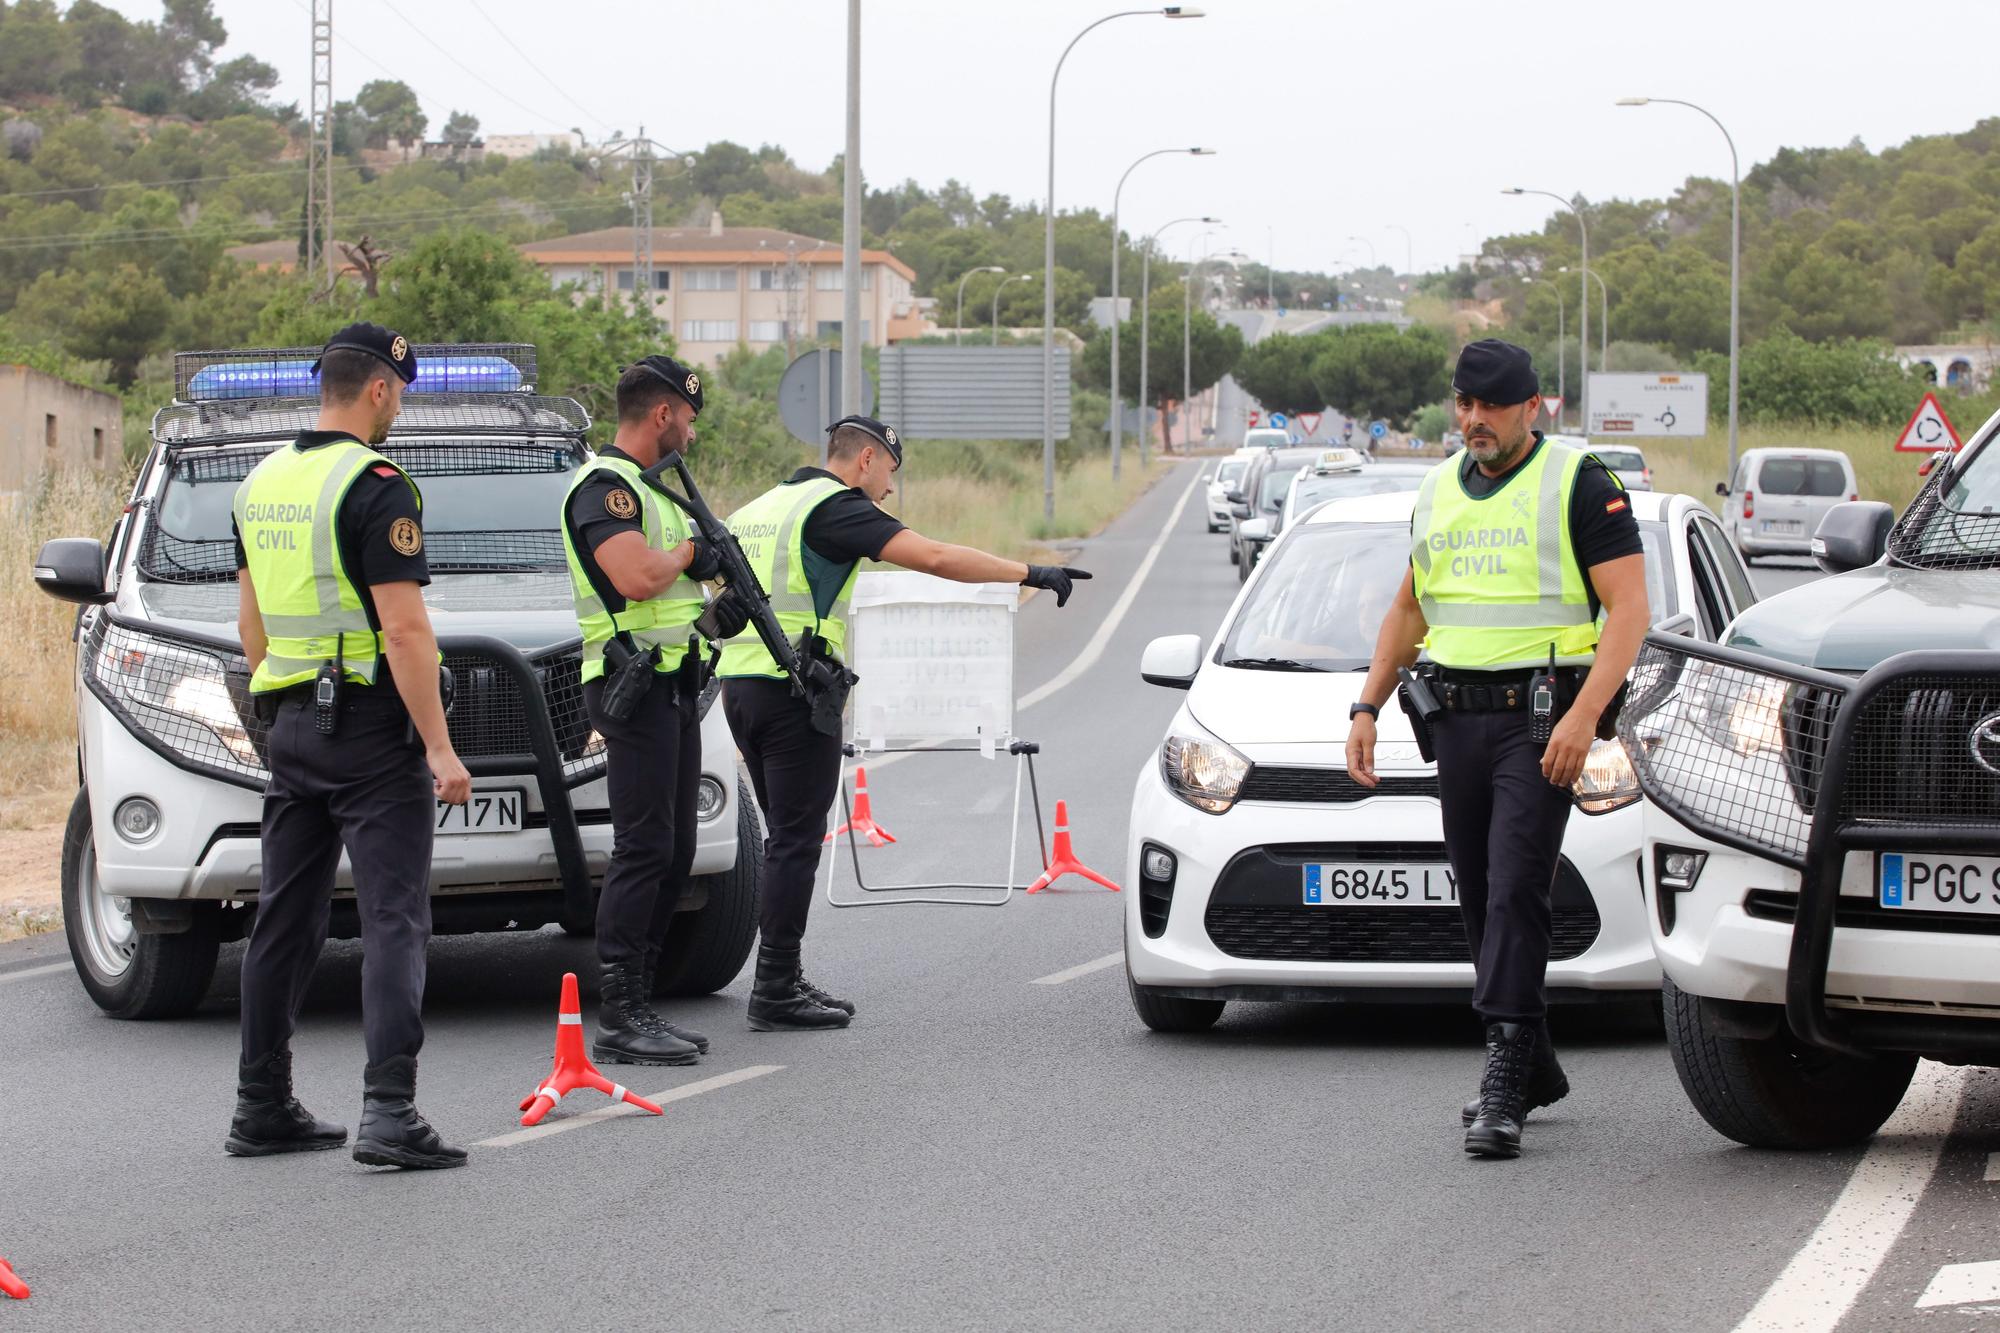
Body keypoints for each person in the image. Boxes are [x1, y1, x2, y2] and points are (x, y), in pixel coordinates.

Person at [1343, 340, 1648, 1160]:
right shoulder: (1439, 488)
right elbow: (1409, 610)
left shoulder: (1579, 483)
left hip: (1543, 719)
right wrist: (1367, 703)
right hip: (1457, 721)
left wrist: (1586, 716)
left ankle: (1506, 1067)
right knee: (1479, 891)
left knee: (1517, 881)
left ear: (1532, 407)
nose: (1473, 419)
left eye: (1491, 405)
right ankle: (1536, 1053)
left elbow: (1628, 612)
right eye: (1463, 403)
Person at [718, 415, 1090, 1031]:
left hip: (742, 688)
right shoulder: (837, 508)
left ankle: (779, 977)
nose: (889, 490)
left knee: (782, 839)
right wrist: (1029, 572)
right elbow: (937, 557)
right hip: (792, 693)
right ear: (865, 459)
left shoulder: (760, 506)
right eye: (890, 471)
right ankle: (776, 986)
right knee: (795, 842)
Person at [228, 322, 473, 1170]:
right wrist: (440, 749)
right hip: (370, 730)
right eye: (399, 392)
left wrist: (280, 705)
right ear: (377, 389)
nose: (398, 406)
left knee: (284, 919)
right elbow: (405, 633)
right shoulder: (375, 483)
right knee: (394, 917)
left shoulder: (261, 482)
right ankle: (389, 1112)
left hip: (289, 723)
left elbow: (250, 623)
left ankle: (260, 1102)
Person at [560, 354, 733, 1067]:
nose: (690, 435)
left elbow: (675, 594)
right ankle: (620, 1010)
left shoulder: (650, 490)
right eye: (687, 420)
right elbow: (635, 576)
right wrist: (695, 549)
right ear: (662, 414)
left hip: (673, 680)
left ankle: (644, 1000)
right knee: (643, 846)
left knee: (676, 849)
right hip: (629, 684)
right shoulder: (606, 488)